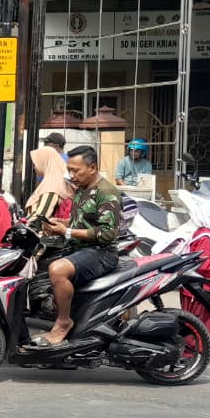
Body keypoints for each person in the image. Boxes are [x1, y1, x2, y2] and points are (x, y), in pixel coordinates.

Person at [36, 146, 123, 346]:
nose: (72, 175)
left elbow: (107, 233)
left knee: (57, 270)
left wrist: (66, 232)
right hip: (80, 248)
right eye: (69, 170)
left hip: (102, 253)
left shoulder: (106, 192)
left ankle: (64, 321)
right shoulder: (83, 190)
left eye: (76, 170)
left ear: (92, 167)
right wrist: (59, 223)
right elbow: (81, 223)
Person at [26, 142, 73, 220]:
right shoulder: (56, 180)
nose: (34, 167)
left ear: (45, 162)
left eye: (36, 163)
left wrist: (22, 225)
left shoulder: (51, 187)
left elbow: (40, 217)